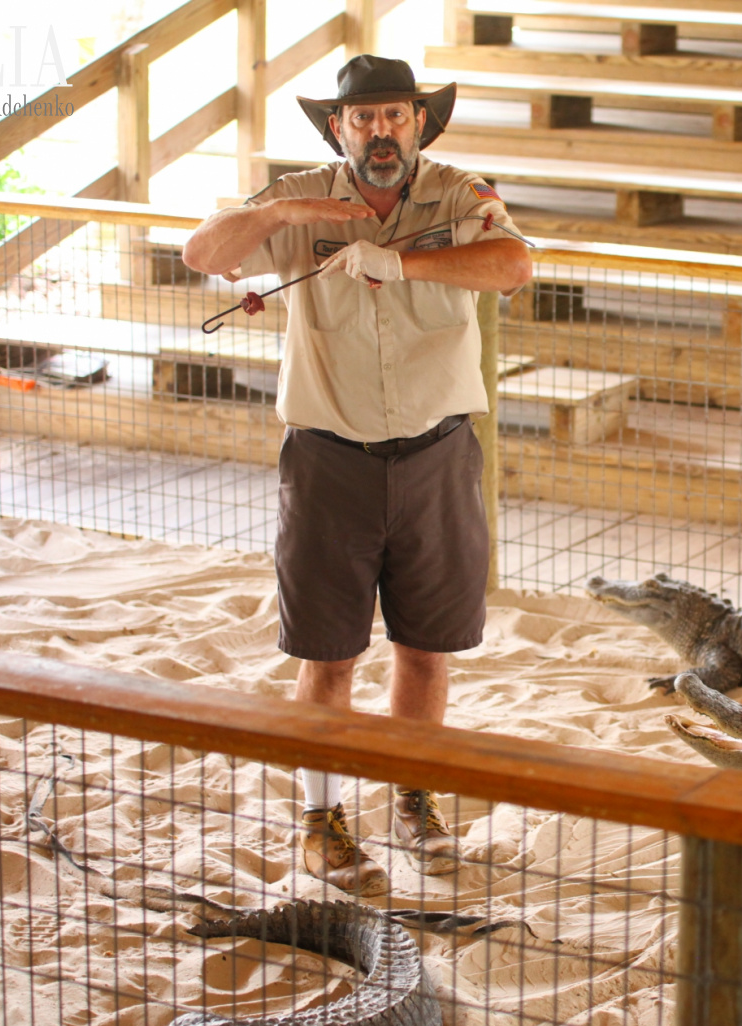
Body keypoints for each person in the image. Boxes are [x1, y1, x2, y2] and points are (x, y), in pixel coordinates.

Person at [182, 56, 532, 894]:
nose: (382, 132)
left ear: (420, 122)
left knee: (427, 649)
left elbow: (513, 265)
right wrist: (288, 212)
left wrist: (402, 264)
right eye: (364, 118)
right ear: (338, 128)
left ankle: (415, 798)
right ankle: (323, 820)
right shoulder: (299, 195)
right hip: (328, 459)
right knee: (328, 653)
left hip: (439, 453)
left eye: (395, 116)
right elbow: (202, 252)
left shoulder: (459, 194)